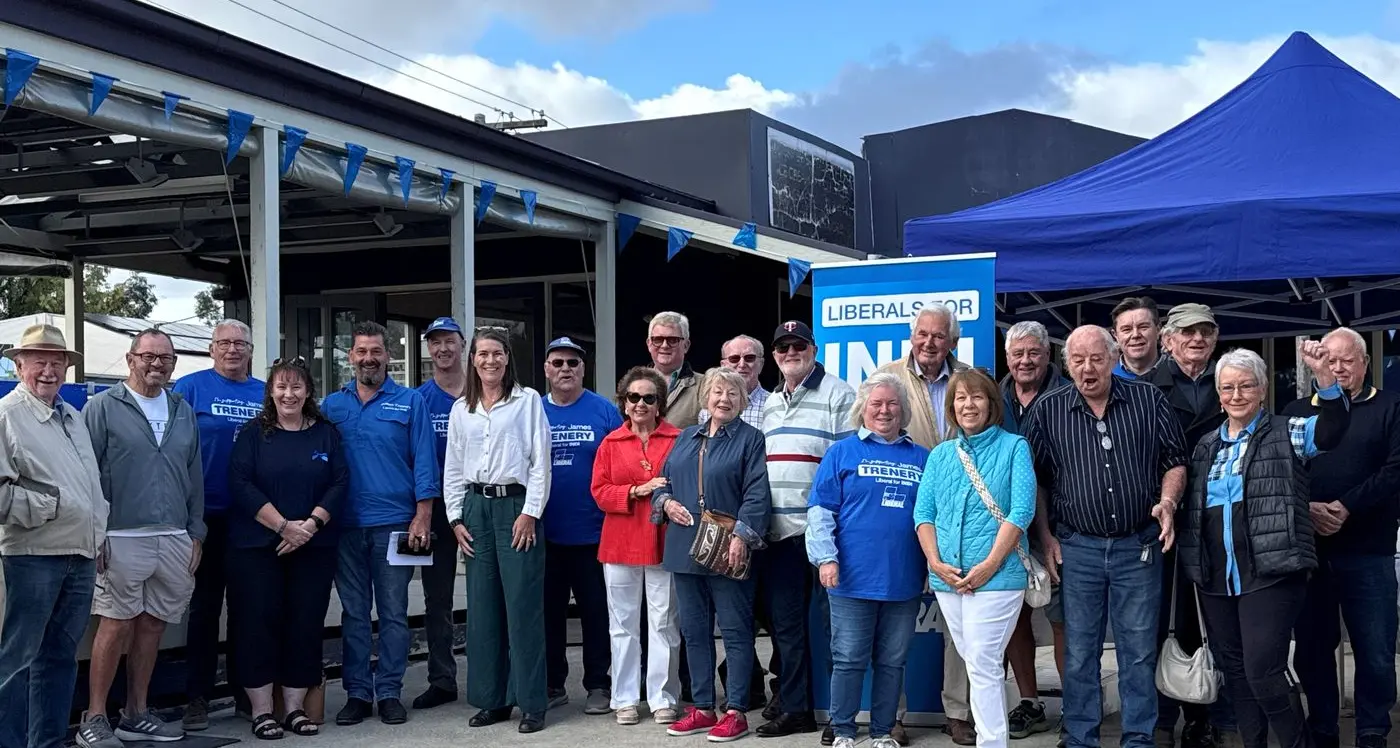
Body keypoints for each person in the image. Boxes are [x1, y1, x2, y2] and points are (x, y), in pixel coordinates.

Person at [1021, 325, 1188, 748]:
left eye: (1096, 359)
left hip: (1139, 545)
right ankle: (1080, 738)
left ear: (1114, 358)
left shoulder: (1149, 400)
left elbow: (1175, 460)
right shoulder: (1048, 409)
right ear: (1067, 365)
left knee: (1138, 651)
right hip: (1077, 547)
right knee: (1079, 652)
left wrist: (1168, 503)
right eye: (1078, 361)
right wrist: (1045, 536)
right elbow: (1035, 480)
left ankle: (1139, 739)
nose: (1087, 368)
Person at [1177, 344, 1347, 748]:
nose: (1236, 395)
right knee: (1236, 672)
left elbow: (1333, 429)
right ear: (1219, 394)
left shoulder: (1288, 431)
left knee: (1262, 670)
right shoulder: (1206, 446)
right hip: (1217, 577)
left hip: (1272, 570)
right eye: (1227, 387)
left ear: (1263, 389)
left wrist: (1324, 377)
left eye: (1246, 386)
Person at [80, 329, 206, 747]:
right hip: (120, 534)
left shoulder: (182, 410)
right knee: (115, 623)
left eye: (165, 358)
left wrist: (196, 531)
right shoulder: (102, 407)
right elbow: (86, 472)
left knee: (153, 625)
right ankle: (95, 717)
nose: (157, 364)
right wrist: (97, 531)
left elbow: (194, 475)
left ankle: (135, 713)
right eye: (148, 356)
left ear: (174, 364)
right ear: (130, 358)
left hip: (173, 535)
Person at [322, 320, 439, 727]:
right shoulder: (331, 407)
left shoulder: (411, 402)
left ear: (388, 356)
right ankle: (357, 693)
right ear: (350, 357)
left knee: (393, 613)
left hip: (397, 525)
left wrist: (423, 515)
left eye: (376, 351)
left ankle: (389, 691)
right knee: (354, 613)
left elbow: (425, 460)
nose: (368, 358)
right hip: (345, 526)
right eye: (361, 351)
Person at [1288, 328, 1400, 748]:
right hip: (1310, 552)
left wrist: (1346, 506)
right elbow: (1284, 474)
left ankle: (1372, 731)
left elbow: (1395, 470)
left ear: (1365, 363)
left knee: (1376, 651)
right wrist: (1310, 509)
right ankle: (1323, 728)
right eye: (1329, 360)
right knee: (1312, 650)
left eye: (1346, 360)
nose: (1337, 368)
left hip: (1369, 549)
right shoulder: (1297, 411)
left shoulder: (1391, 406)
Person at [227, 358, 348, 740]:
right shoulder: (253, 434)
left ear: (308, 392)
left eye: (296, 387)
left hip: (313, 545)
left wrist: (309, 526)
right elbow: (240, 483)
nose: (288, 394)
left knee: (305, 623)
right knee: (257, 623)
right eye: (281, 387)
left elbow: (340, 483)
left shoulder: (326, 434)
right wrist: (283, 526)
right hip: (257, 546)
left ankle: (295, 708)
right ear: (271, 392)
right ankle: (262, 711)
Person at [807, 372, 929, 748]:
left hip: (904, 579)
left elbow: (932, 518)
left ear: (903, 410)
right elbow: (820, 511)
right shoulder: (841, 452)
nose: (884, 410)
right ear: (862, 409)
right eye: (876, 403)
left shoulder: (922, 458)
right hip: (850, 578)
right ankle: (843, 729)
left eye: (892, 403)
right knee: (848, 658)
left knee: (892, 661)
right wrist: (826, 558)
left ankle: (882, 731)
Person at [916, 369, 1035, 748]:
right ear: (952, 407)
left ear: (992, 404)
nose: (968, 405)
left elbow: (1021, 511)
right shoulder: (940, 455)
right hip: (949, 579)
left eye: (977, 397)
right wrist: (935, 562)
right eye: (960, 398)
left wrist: (990, 564)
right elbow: (924, 514)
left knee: (982, 660)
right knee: (975, 660)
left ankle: (992, 742)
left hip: (998, 577)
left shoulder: (1014, 447)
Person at [0, 325, 107, 748]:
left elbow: (88, 484)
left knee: (60, 658)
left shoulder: (72, 415)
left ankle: (47, 743)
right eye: (39, 361)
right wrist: (49, 507)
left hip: (80, 554)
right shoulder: (7, 415)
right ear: (18, 366)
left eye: (56, 362)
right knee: (18, 661)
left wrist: (97, 534)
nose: (49, 370)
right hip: (34, 554)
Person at [444, 327, 553, 733]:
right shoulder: (462, 409)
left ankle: (532, 702)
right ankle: (493, 700)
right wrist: (455, 518)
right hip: (476, 508)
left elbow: (541, 462)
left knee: (522, 606)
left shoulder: (528, 401)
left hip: (515, 507)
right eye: (482, 354)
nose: (490, 360)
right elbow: (453, 465)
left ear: (508, 358)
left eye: (497, 353)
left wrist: (530, 512)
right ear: (472, 360)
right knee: (483, 608)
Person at [655, 367, 771, 742]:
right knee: (694, 631)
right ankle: (703, 708)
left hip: (727, 548)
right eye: (718, 392)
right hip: (685, 546)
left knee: (736, 632)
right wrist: (665, 502)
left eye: (733, 394)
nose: (724, 399)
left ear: (743, 401)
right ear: (705, 397)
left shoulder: (751, 439)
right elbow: (662, 483)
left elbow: (757, 493)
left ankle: (736, 711)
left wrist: (742, 536)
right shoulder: (686, 437)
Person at [876, 305, 971, 745]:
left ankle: (958, 712)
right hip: (899, 510)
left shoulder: (970, 379)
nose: (929, 343)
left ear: (952, 341)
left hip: (957, 516)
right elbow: (873, 435)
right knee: (894, 617)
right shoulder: (887, 375)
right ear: (911, 336)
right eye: (922, 334)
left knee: (960, 619)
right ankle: (890, 715)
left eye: (938, 336)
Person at [757, 320, 856, 739]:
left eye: (798, 345)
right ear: (774, 355)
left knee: (836, 631)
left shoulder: (839, 393)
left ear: (813, 349)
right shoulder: (770, 402)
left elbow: (849, 465)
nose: (790, 352)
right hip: (779, 534)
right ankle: (797, 710)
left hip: (825, 534)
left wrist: (832, 529)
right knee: (788, 630)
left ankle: (840, 716)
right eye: (782, 347)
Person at [1145, 304, 1233, 748]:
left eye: (1205, 331)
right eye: (1187, 332)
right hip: (1162, 523)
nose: (1197, 339)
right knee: (1161, 621)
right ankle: (1162, 718)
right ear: (1168, 340)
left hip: (1220, 523)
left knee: (1216, 624)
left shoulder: (1232, 382)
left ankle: (1209, 717)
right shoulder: (1145, 389)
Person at [173, 318, 265, 730]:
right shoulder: (189, 388)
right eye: (224, 343)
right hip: (205, 516)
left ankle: (247, 694)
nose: (232, 349)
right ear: (211, 349)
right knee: (205, 610)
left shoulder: (265, 392)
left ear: (250, 350)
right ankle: (198, 698)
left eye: (240, 343)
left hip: (253, 517)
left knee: (248, 609)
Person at [591, 366, 684, 726]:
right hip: (620, 542)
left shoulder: (678, 439)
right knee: (622, 625)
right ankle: (625, 697)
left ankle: (663, 698)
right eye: (634, 397)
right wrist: (637, 490)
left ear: (660, 403)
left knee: (664, 623)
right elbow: (599, 492)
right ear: (624, 402)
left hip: (664, 541)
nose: (640, 404)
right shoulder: (610, 443)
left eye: (649, 397)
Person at [541, 336, 622, 714]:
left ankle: (598, 685)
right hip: (545, 534)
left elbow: (621, 463)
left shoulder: (604, 411)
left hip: (595, 534)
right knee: (549, 615)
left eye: (573, 363)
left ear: (583, 369)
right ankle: (552, 684)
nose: (565, 369)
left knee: (596, 614)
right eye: (557, 362)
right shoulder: (533, 410)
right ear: (546, 369)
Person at [998, 321, 1069, 741]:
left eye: (1034, 353)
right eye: (1017, 353)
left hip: (1061, 526)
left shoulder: (1070, 394)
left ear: (1048, 355)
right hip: (1004, 528)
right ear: (1007, 357)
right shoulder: (994, 397)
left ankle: (1076, 707)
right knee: (1014, 617)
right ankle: (1029, 703)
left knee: (1063, 619)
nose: (1025, 361)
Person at [413, 316, 468, 710]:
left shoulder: (483, 392)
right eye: (435, 342)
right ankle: (442, 679)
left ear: (462, 344)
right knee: (437, 598)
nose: (443, 348)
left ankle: (492, 676)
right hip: (435, 508)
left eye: (450, 341)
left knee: (490, 594)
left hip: (479, 504)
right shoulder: (419, 399)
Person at [700, 335, 769, 428]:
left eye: (749, 358)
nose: (742, 364)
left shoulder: (774, 405)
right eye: (734, 359)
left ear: (761, 364)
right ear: (723, 366)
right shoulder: (708, 410)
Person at [648, 311, 703, 429]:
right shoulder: (632, 384)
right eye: (658, 339)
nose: (664, 345)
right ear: (649, 344)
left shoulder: (705, 386)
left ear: (686, 345)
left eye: (672, 340)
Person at [1111, 297, 1164, 380]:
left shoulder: (1181, 371)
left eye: (1143, 327)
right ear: (1115, 336)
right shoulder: (1105, 375)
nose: (1135, 335)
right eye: (1127, 329)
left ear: (1158, 330)